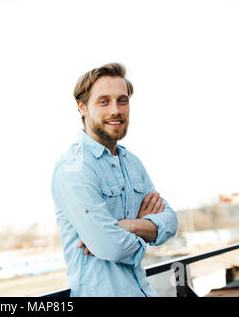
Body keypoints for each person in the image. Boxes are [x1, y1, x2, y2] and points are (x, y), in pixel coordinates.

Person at [51, 63, 178, 296]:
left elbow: (170, 222)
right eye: (103, 101)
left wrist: (128, 225)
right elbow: (112, 247)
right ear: (82, 107)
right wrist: (147, 231)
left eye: (122, 100)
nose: (115, 110)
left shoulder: (132, 163)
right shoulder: (73, 169)